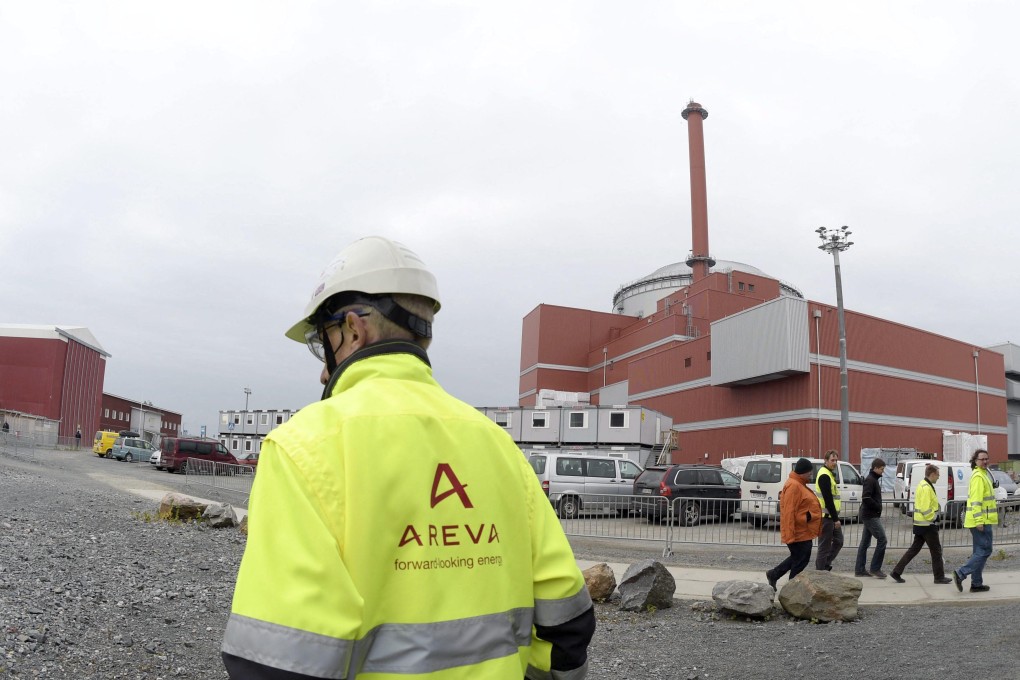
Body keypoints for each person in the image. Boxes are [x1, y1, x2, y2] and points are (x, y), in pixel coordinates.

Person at [221, 236, 595, 679]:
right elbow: (566, 623)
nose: (324, 369)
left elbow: (280, 658)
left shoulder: (303, 446)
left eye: (325, 343)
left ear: (354, 329)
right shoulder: (497, 446)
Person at [765, 458, 822, 592]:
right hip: (798, 532)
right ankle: (791, 590)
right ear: (802, 472)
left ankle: (774, 574)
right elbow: (789, 513)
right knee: (800, 560)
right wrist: (790, 535)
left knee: (799, 558)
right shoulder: (794, 486)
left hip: (802, 531)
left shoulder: (798, 483)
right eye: (809, 472)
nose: (810, 475)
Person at [890, 464, 953, 584]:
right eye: (938, 475)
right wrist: (934, 518)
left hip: (921, 525)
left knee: (914, 550)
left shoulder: (923, 485)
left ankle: (896, 572)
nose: (938, 477)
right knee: (936, 551)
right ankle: (939, 577)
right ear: (932, 474)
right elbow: (925, 508)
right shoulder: (926, 487)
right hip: (927, 525)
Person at [953, 448, 997, 593]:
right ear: (975, 461)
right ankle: (961, 573)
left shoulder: (983, 475)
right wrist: (979, 520)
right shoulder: (978, 477)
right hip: (980, 521)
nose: (985, 461)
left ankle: (976, 584)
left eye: (986, 459)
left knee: (979, 551)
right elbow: (977, 501)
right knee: (985, 550)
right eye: (982, 459)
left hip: (982, 520)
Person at [855, 458, 888, 578]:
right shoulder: (870, 480)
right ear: (875, 468)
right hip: (870, 516)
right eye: (881, 469)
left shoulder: (872, 479)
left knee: (864, 543)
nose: (882, 472)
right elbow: (866, 497)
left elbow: (867, 497)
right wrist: (877, 507)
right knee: (882, 539)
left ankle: (859, 569)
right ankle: (875, 568)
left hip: (869, 515)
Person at [814, 449, 843, 571]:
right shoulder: (824, 475)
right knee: (824, 547)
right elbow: (828, 499)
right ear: (825, 461)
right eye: (832, 460)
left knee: (839, 541)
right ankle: (820, 572)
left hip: (831, 517)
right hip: (826, 518)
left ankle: (825, 565)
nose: (835, 462)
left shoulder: (828, 474)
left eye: (836, 460)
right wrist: (835, 519)